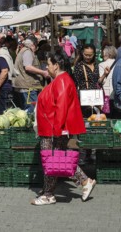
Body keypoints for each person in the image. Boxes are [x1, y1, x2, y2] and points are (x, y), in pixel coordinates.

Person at [31, 50, 95, 205]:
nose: (47, 68)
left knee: (52, 159)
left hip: (52, 128)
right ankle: (54, 190)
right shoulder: (61, 80)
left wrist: (56, 129)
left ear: (56, 65)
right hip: (51, 127)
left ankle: (49, 193)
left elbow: (61, 107)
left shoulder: (62, 81)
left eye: (49, 65)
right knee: (55, 160)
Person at [13, 37, 48, 111]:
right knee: (31, 110)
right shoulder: (28, 52)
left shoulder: (23, 50)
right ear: (33, 45)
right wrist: (43, 72)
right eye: (36, 46)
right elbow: (28, 67)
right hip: (28, 86)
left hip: (24, 85)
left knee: (26, 109)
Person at [98, 45, 117, 112]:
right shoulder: (119, 63)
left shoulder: (102, 65)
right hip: (117, 93)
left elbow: (101, 81)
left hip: (107, 93)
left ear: (106, 54)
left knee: (107, 115)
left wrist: (104, 74)